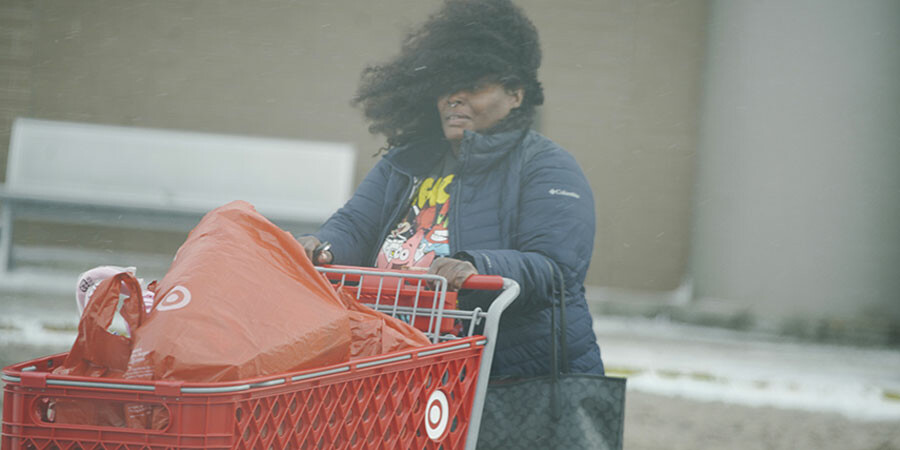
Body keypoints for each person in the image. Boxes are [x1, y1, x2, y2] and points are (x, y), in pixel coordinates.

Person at [298, 0, 603, 378]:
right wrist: (321, 246)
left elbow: (555, 270)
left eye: (473, 87)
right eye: (445, 86)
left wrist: (478, 266)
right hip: (397, 361)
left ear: (515, 95)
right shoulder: (405, 162)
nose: (453, 98)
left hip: (509, 379)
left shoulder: (546, 165)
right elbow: (355, 226)